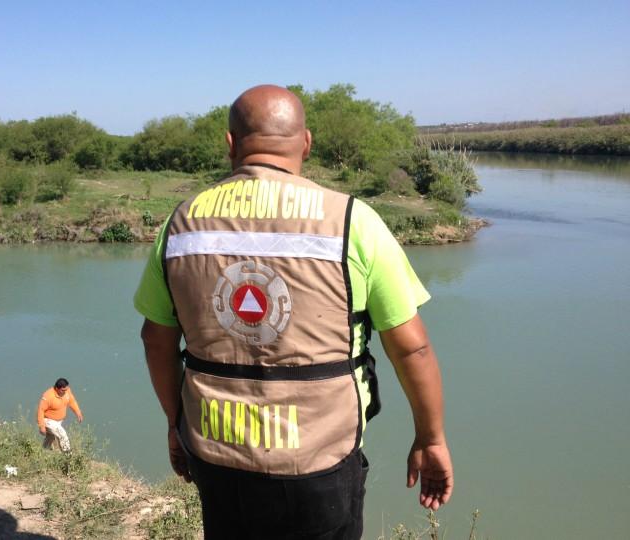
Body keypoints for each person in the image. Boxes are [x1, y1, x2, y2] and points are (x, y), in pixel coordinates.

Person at [134, 85, 453, 539]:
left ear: (230, 143)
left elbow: (156, 340)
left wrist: (176, 424)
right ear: (306, 143)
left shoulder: (180, 223)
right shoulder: (352, 221)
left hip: (217, 451)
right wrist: (430, 437)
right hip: (321, 457)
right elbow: (412, 349)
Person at [37, 378, 83, 453]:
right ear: (56, 388)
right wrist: (41, 426)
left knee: (50, 438)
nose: (65, 392)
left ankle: (42, 452)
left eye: (66, 389)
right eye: (63, 390)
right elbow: (40, 410)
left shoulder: (67, 391)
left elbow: (72, 401)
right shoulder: (48, 396)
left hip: (58, 421)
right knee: (62, 434)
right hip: (47, 420)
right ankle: (68, 456)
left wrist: (78, 412)